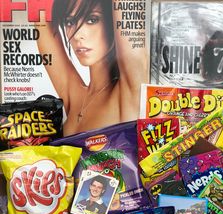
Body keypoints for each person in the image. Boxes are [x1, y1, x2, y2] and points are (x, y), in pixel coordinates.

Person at [36, 0, 148, 136]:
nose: (77, 35)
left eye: (92, 19)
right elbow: (38, 10)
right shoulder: (75, 97)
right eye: (70, 22)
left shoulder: (130, 92)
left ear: (113, 22)